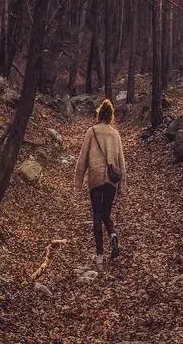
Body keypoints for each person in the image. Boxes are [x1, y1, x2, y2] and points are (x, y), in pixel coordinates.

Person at [74, 98, 126, 266]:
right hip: (111, 181)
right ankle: (113, 235)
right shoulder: (115, 134)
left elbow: (82, 158)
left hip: (95, 178)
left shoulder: (92, 131)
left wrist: (78, 183)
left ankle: (100, 255)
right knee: (106, 214)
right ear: (111, 116)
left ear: (99, 115)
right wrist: (122, 186)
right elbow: (121, 161)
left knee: (97, 215)